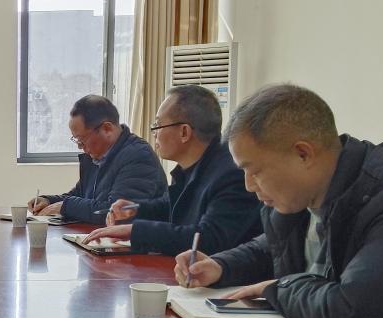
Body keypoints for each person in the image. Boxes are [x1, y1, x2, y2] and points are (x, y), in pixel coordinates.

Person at [173, 83, 383, 318]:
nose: (249, 186)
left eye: (255, 171)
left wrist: (277, 289)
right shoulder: (306, 192)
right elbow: (273, 246)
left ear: (303, 154)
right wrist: (221, 266)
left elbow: (354, 315)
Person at [82, 85, 261, 255]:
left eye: (158, 125)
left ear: (184, 132)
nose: (154, 133)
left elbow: (209, 238)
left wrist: (136, 231)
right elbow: (169, 206)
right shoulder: (191, 167)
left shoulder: (231, 173)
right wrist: (135, 209)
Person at [28, 94, 166, 225]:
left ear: (107, 129)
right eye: (76, 140)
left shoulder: (138, 155)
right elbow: (79, 195)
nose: (80, 147)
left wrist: (65, 206)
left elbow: (116, 213)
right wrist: (49, 201)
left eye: (81, 140)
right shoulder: (97, 155)